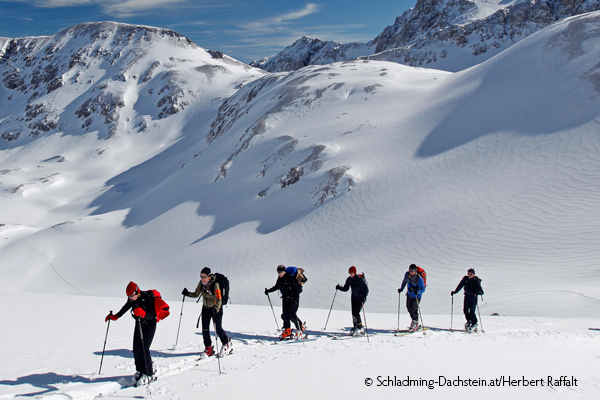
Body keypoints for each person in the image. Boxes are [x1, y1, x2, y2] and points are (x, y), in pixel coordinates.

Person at [105, 281, 157, 384]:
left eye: (131, 295)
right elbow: (125, 307)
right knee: (136, 349)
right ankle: (139, 371)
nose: (129, 298)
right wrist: (116, 316)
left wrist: (142, 313)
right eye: (128, 296)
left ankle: (149, 374)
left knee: (144, 349)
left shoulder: (147, 298)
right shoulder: (132, 299)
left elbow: (152, 315)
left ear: (137, 292)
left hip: (149, 325)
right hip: (139, 324)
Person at [182, 267, 231, 358]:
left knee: (218, 329)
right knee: (205, 330)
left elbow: (219, 299)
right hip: (205, 308)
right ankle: (208, 348)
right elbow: (196, 294)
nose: (202, 278)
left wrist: (216, 309)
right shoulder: (201, 283)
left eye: (204, 276)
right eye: (201, 276)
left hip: (216, 309)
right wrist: (187, 293)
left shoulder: (215, 284)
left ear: (209, 276)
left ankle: (226, 344)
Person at [265, 265, 303, 340]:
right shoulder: (280, 278)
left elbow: (296, 290)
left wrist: (295, 299)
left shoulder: (290, 278)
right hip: (285, 299)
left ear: (284, 271)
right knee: (285, 315)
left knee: (292, 315)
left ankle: (300, 328)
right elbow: (277, 286)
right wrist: (268, 291)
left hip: (293, 299)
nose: (279, 273)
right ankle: (287, 331)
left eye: (280, 272)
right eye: (278, 272)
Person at [336, 266, 369, 336]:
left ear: (355, 272)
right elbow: (346, 288)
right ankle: (355, 327)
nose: (350, 274)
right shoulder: (349, 279)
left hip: (360, 298)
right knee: (353, 313)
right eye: (349, 272)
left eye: (352, 272)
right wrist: (339, 288)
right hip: (353, 298)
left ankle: (360, 327)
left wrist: (363, 297)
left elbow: (366, 289)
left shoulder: (359, 279)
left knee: (356, 313)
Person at [398, 264, 426, 331]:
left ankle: (415, 322)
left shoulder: (419, 278)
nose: (410, 272)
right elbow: (404, 281)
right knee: (408, 308)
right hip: (409, 294)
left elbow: (423, 289)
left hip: (416, 296)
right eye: (409, 270)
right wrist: (401, 288)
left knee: (413, 309)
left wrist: (418, 292)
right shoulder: (407, 275)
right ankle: (415, 321)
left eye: (411, 271)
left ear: (415, 271)